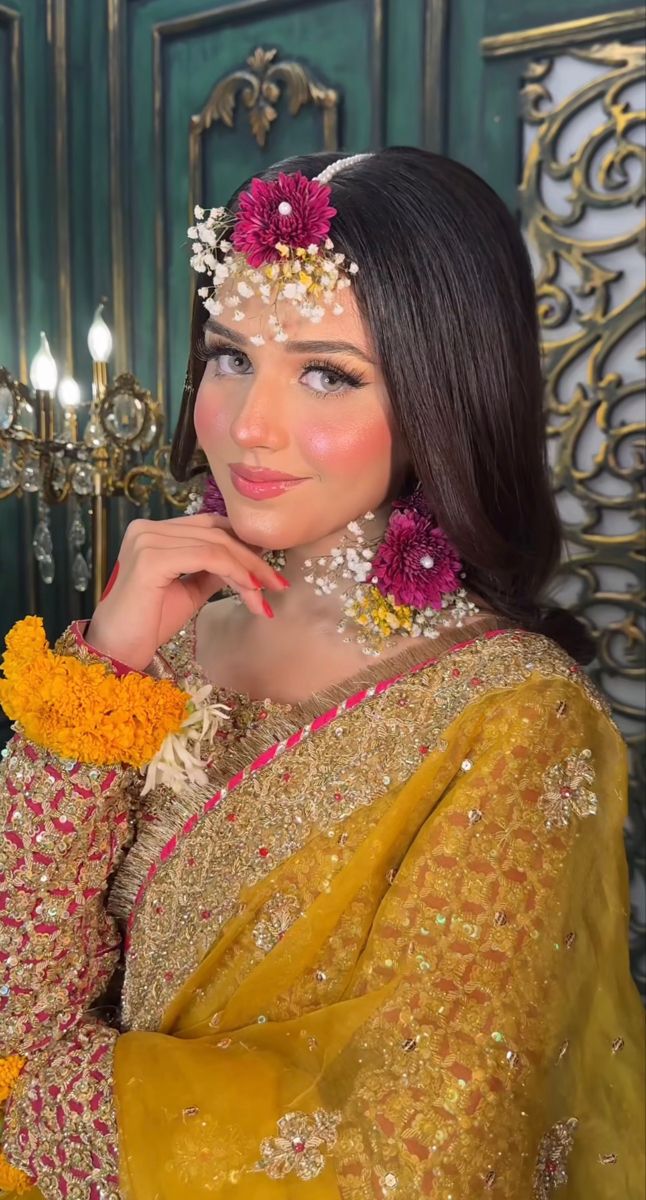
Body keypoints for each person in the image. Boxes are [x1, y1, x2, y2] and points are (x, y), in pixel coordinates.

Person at [0, 147, 643, 1200]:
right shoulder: (154, 646)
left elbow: (422, 1159)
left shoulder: (512, 719)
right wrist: (103, 672)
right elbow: (17, 981)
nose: (247, 426)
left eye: (327, 373)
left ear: (444, 390)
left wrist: (45, 1104)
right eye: (228, 356)